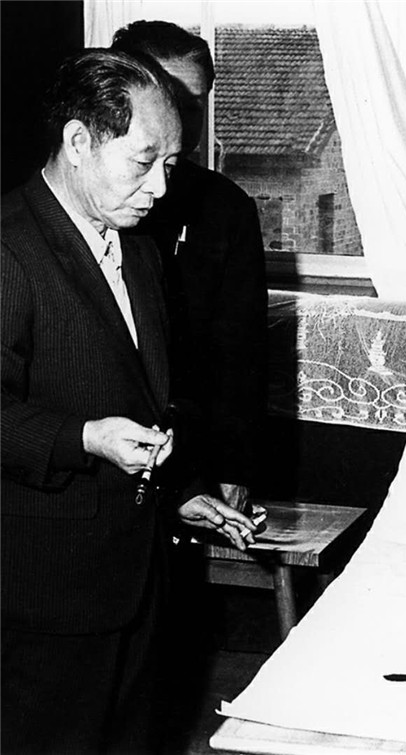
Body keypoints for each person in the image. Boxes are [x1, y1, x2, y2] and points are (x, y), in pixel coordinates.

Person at [1, 49, 255, 754]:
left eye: (170, 164)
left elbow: (145, 396)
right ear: (79, 141)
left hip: (139, 581)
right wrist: (85, 437)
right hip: (43, 594)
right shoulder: (8, 249)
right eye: (144, 161)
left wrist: (181, 490)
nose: (160, 187)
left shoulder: (138, 247)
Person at [111, 20, 270, 512]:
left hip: (193, 461)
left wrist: (233, 469)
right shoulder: (89, 202)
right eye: (167, 99)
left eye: (194, 104)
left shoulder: (227, 209)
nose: (179, 120)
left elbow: (240, 354)